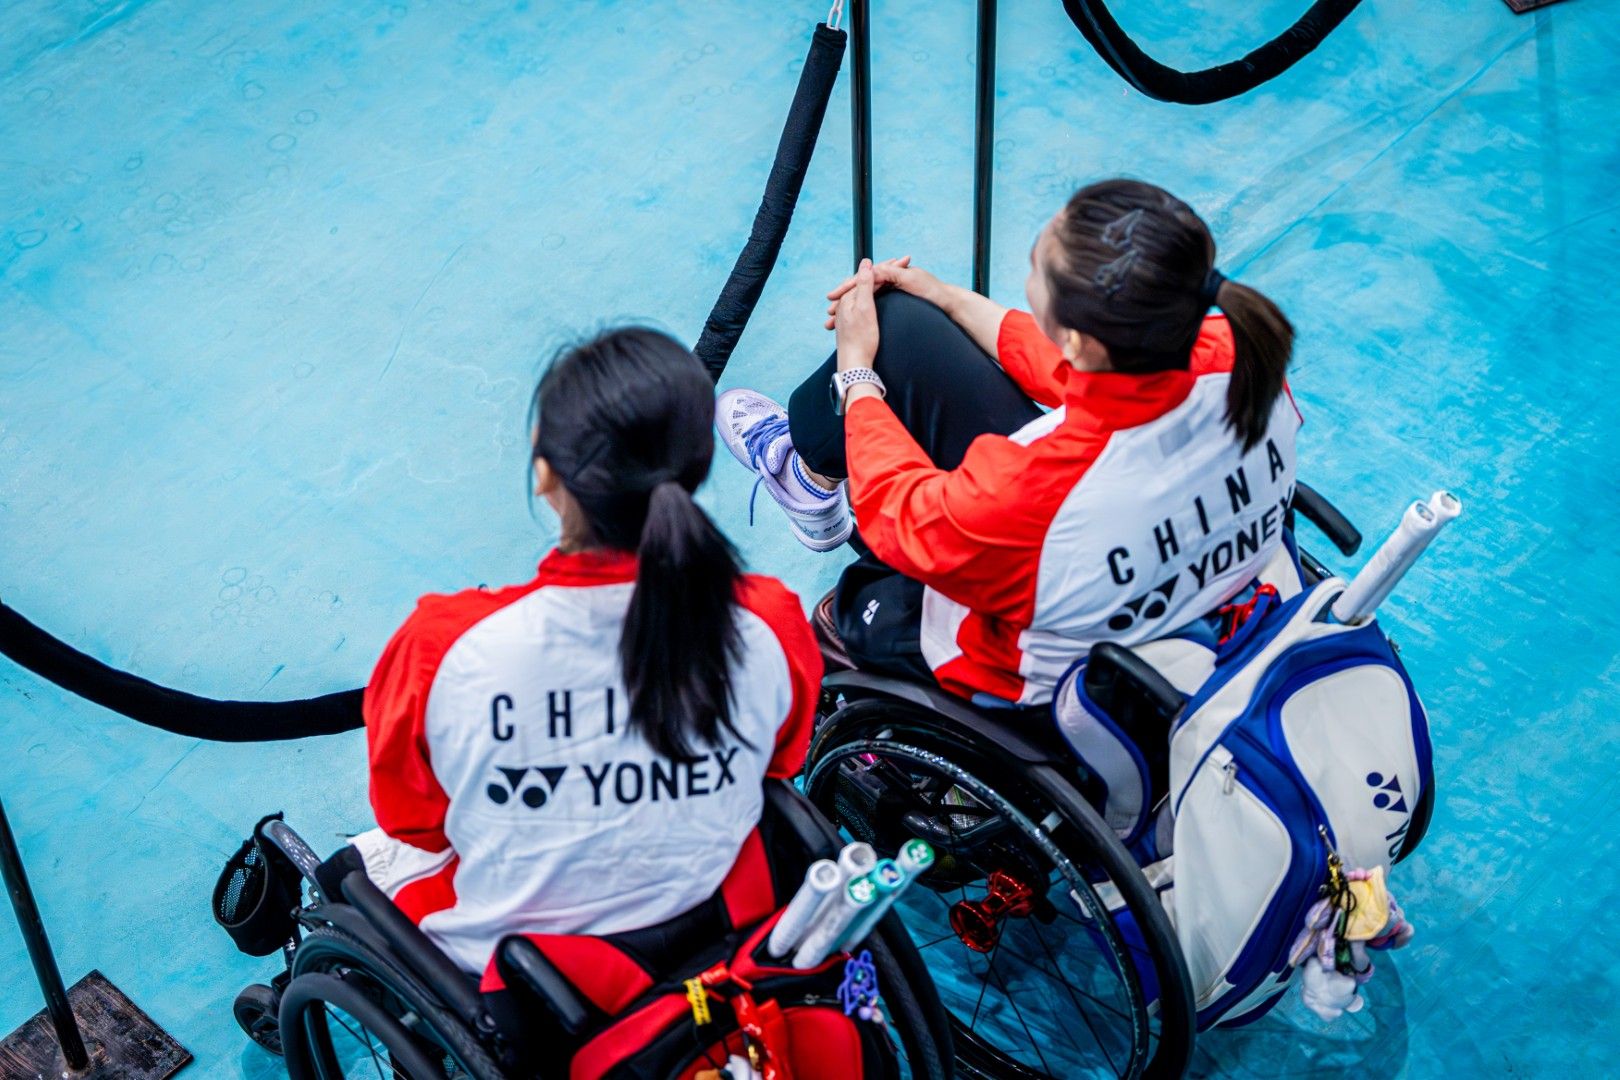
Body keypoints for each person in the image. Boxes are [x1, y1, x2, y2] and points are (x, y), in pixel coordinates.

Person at [325, 327, 822, 974]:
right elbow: (780, 762)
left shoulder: (442, 647)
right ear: (695, 468)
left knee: (350, 873)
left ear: (544, 472)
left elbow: (413, 820)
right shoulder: (770, 623)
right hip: (714, 922)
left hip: (533, 975)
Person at [718, 178, 1300, 708]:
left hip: (1038, 664)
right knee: (903, 325)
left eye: (1036, 269)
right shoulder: (1244, 358)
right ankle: (807, 478)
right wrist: (946, 298)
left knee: (860, 601)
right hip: (1203, 588)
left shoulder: (1033, 489)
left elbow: (901, 512)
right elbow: (1069, 369)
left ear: (1078, 339)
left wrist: (856, 373)